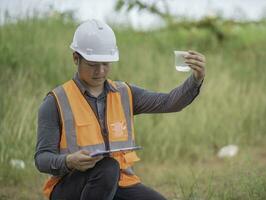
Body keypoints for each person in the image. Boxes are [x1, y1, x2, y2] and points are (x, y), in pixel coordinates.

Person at [34, 19, 206, 200]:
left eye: (106, 64)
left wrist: (196, 78)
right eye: (93, 64)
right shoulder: (55, 102)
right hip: (70, 187)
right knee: (108, 167)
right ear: (76, 58)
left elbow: (170, 102)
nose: (100, 71)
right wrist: (69, 161)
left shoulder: (125, 93)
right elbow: (42, 159)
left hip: (118, 182)